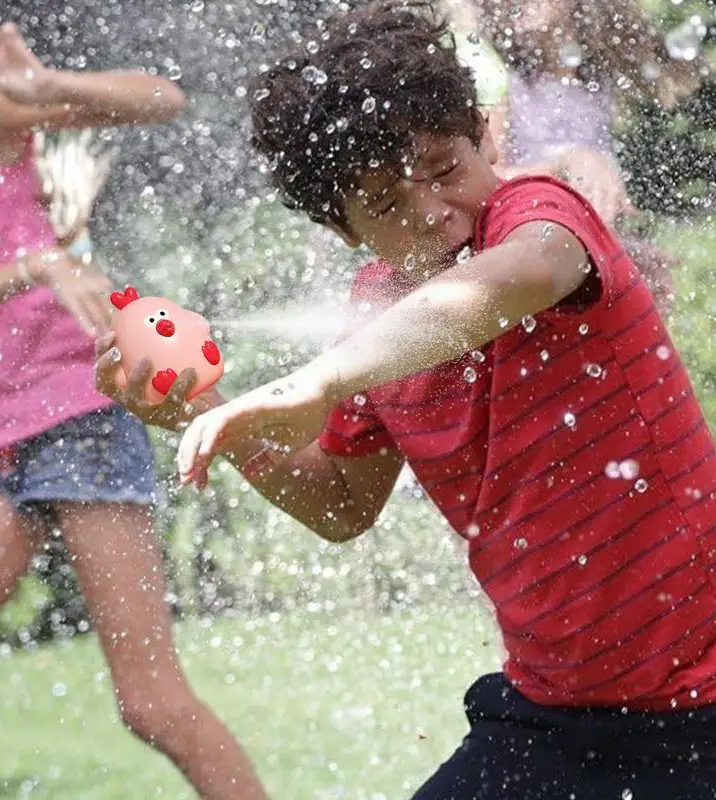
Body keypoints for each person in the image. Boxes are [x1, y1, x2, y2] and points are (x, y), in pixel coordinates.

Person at [99, 1, 716, 797]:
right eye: (387, 205)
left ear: (485, 140)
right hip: (554, 714)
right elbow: (339, 504)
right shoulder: (374, 323)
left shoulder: (538, 214)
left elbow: (504, 286)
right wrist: (206, 411)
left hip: (702, 707)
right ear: (344, 229)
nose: (433, 209)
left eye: (446, 168)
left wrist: (320, 381)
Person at [0, 6, 266, 800]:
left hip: (73, 410)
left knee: (150, 703)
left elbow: (161, 99)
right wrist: (32, 266)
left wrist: (43, 83)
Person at [476, 0, 707, 314]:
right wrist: (565, 163)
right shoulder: (507, 83)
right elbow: (491, 179)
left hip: (584, 253)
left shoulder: (595, 83)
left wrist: (625, 249)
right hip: (535, 253)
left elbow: (593, 197)